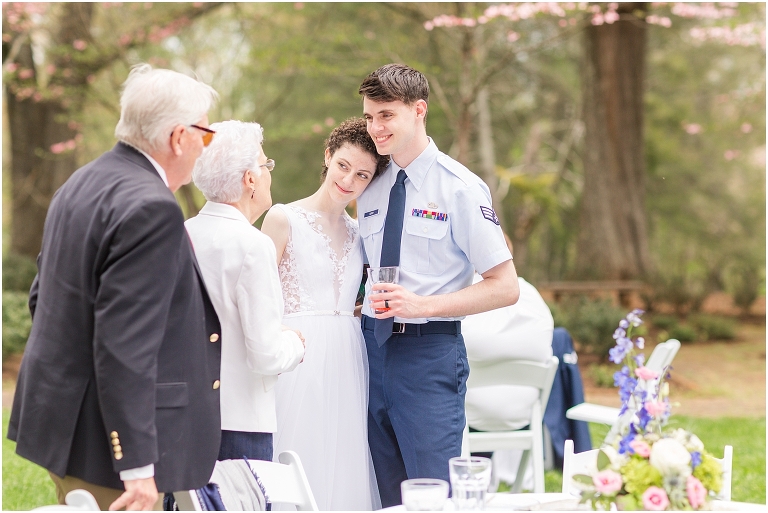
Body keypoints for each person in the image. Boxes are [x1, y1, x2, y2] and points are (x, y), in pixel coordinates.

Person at [8, 64, 221, 511]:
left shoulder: (79, 182)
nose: (204, 149)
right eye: (204, 135)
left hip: (65, 428)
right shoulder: (152, 207)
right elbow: (125, 346)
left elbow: (41, 297)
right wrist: (138, 466)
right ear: (179, 137)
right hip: (109, 450)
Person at [357, 63, 521, 507]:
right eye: (370, 117)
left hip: (428, 358)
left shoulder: (462, 189)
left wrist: (422, 305)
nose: (375, 128)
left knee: (436, 495)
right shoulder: (368, 187)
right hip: (368, 354)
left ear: (419, 110)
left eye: (386, 115)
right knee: (383, 495)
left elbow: (506, 286)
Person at [261, 117, 389, 510]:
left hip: (349, 359)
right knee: (297, 451)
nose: (349, 180)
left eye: (363, 174)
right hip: (298, 357)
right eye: (343, 166)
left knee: (343, 456)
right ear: (329, 157)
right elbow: (257, 297)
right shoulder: (283, 218)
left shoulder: (362, 233)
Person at [184, 120, 306, 464]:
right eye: (266, 164)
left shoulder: (180, 234)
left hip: (181, 418)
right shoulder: (252, 245)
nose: (269, 172)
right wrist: (295, 343)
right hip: (239, 423)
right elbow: (266, 355)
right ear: (250, 179)